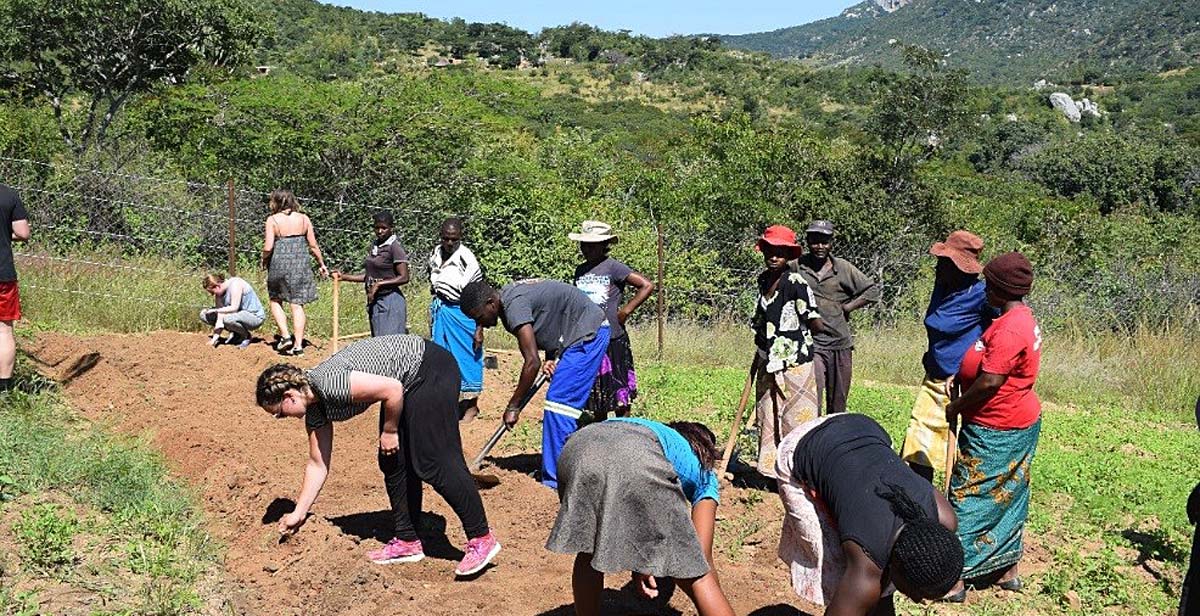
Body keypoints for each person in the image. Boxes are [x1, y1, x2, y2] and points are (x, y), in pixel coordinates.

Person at [254, 335, 501, 577]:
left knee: (433, 461)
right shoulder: (316, 410)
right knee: (392, 460)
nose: (281, 418)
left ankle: (481, 537)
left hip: (428, 368)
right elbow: (318, 464)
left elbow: (392, 389)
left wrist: (390, 430)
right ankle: (407, 540)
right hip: (406, 382)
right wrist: (299, 512)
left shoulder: (328, 383)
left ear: (289, 397)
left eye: (279, 413)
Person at [776, 413, 963, 615]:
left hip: (859, 428)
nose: (917, 600)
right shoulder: (866, 559)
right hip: (805, 447)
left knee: (874, 588)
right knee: (841, 575)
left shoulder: (946, 518)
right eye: (919, 594)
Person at [547, 418, 734, 616]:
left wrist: (643, 563)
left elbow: (630, 509)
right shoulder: (705, 472)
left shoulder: (652, 431)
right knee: (698, 575)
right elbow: (701, 557)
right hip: (636, 456)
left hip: (577, 448)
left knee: (588, 549)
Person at [942, 251, 1042, 601]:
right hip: (1017, 419)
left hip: (996, 427)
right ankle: (1005, 569)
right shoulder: (1019, 318)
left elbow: (990, 381)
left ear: (1001, 288)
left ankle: (953, 576)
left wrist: (955, 405)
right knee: (1011, 493)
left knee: (969, 496)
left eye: (989, 283)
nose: (984, 288)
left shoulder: (1011, 328)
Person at [460, 279, 609, 489]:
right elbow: (553, 312)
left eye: (479, 317)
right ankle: (562, 469)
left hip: (588, 333)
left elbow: (531, 363)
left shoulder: (514, 307)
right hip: (576, 333)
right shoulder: (508, 300)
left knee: (560, 405)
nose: (481, 323)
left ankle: (558, 480)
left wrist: (513, 406)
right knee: (559, 404)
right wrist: (552, 355)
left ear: (491, 303)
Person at [900, 231, 992, 483]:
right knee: (919, 444)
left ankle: (957, 502)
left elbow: (997, 334)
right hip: (934, 375)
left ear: (962, 268)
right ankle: (924, 501)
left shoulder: (982, 295)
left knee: (961, 449)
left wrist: (971, 366)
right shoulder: (942, 286)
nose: (938, 266)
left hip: (960, 383)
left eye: (945, 262)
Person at [750, 225, 826, 479]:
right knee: (769, 415)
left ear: (788, 256)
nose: (774, 257)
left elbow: (814, 321)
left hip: (796, 363)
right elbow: (760, 318)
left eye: (780, 252)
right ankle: (771, 473)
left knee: (797, 418)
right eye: (770, 251)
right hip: (768, 359)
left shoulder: (796, 283)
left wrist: (794, 334)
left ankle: (798, 474)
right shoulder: (762, 280)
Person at [793, 220, 881, 415]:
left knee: (838, 402)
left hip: (839, 344)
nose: (820, 247)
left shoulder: (842, 268)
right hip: (811, 343)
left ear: (831, 243)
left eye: (825, 242)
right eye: (815, 241)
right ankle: (809, 439)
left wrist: (848, 307)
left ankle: (832, 439)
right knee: (811, 395)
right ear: (807, 241)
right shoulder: (797, 267)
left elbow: (872, 291)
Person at [570, 220, 654, 420]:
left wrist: (625, 311)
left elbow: (646, 285)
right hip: (590, 337)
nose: (587, 249)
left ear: (604, 245)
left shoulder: (613, 267)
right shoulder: (580, 271)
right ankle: (601, 432)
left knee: (619, 389)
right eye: (584, 245)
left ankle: (624, 428)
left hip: (613, 337)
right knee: (597, 390)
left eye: (593, 245)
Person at [428, 217, 485, 422]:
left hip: (463, 313)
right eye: (446, 238)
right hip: (442, 310)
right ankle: (447, 402)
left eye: (454, 239)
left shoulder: (467, 259)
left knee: (468, 357)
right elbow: (432, 279)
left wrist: (479, 328)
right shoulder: (435, 253)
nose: (449, 243)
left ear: (460, 237)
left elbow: (480, 295)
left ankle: (472, 405)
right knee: (440, 356)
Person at [262, 189, 328, 356]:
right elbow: (313, 245)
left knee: (275, 299)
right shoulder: (304, 219)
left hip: (279, 264)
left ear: (275, 202)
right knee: (297, 303)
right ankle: (298, 345)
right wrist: (321, 264)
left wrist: (264, 259)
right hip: (300, 264)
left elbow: (268, 247)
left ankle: (285, 336)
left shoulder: (272, 220)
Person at [334, 211, 411, 337]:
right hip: (375, 301)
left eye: (384, 228)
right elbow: (370, 277)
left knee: (390, 344)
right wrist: (344, 277)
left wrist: (378, 285)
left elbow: (404, 277)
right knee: (377, 342)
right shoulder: (375, 246)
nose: (380, 231)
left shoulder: (394, 248)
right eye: (377, 228)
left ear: (392, 228)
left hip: (390, 301)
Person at [0, 184, 30, 393]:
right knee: (3, 330)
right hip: (2, 273)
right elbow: (22, 232)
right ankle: (3, 389)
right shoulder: (9, 194)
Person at [200, 273, 267, 349]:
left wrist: (215, 310)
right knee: (204, 315)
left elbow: (234, 307)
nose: (212, 295)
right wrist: (214, 340)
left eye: (212, 292)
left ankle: (246, 336)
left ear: (217, 286)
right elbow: (220, 317)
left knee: (228, 319)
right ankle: (237, 334)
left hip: (254, 316)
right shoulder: (219, 294)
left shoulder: (235, 284)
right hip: (237, 315)